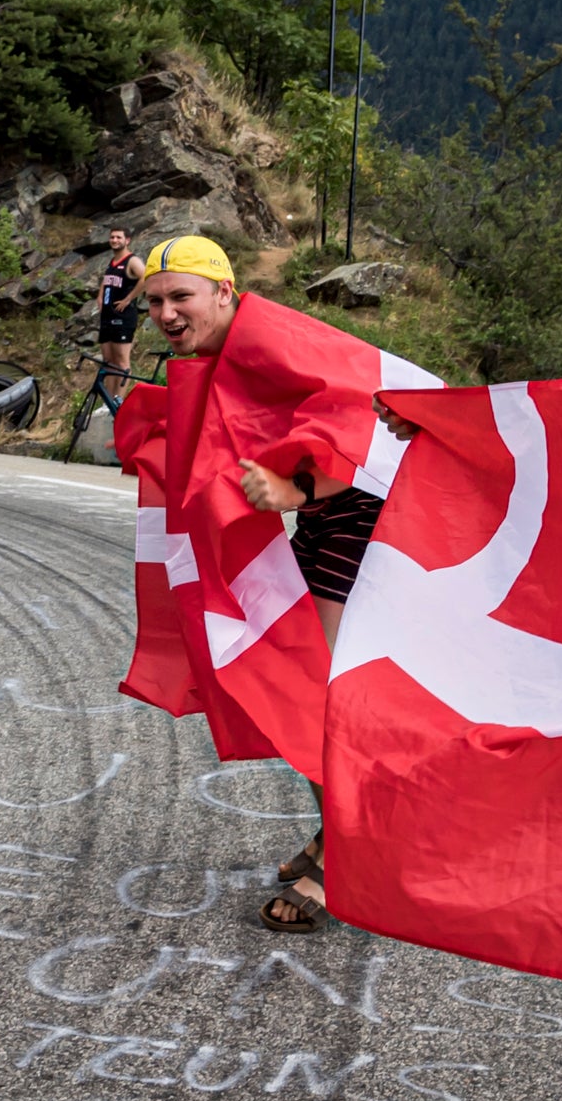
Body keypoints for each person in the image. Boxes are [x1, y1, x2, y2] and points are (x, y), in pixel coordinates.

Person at [135, 235, 364, 930]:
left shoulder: (271, 342)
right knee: (293, 681)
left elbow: (363, 414)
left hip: (361, 514)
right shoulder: (218, 352)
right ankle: (337, 834)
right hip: (327, 517)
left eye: (182, 296)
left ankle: (347, 862)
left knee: (314, 689)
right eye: (154, 301)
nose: (167, 313)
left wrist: (297, 488)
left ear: (225, 293)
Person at [92, 226, 142, 398]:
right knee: (108, 361)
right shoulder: (112, 262)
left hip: (123, 317)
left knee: (121, 361)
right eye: (112, 237)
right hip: (107, 316)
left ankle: (118, 400)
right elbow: (107, 281)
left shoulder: (132, 261)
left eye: (118, 237)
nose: (114, 240)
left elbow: (146, 277)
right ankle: (108, 400)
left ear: (127, 240)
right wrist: (100, 296)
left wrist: (129, 299)